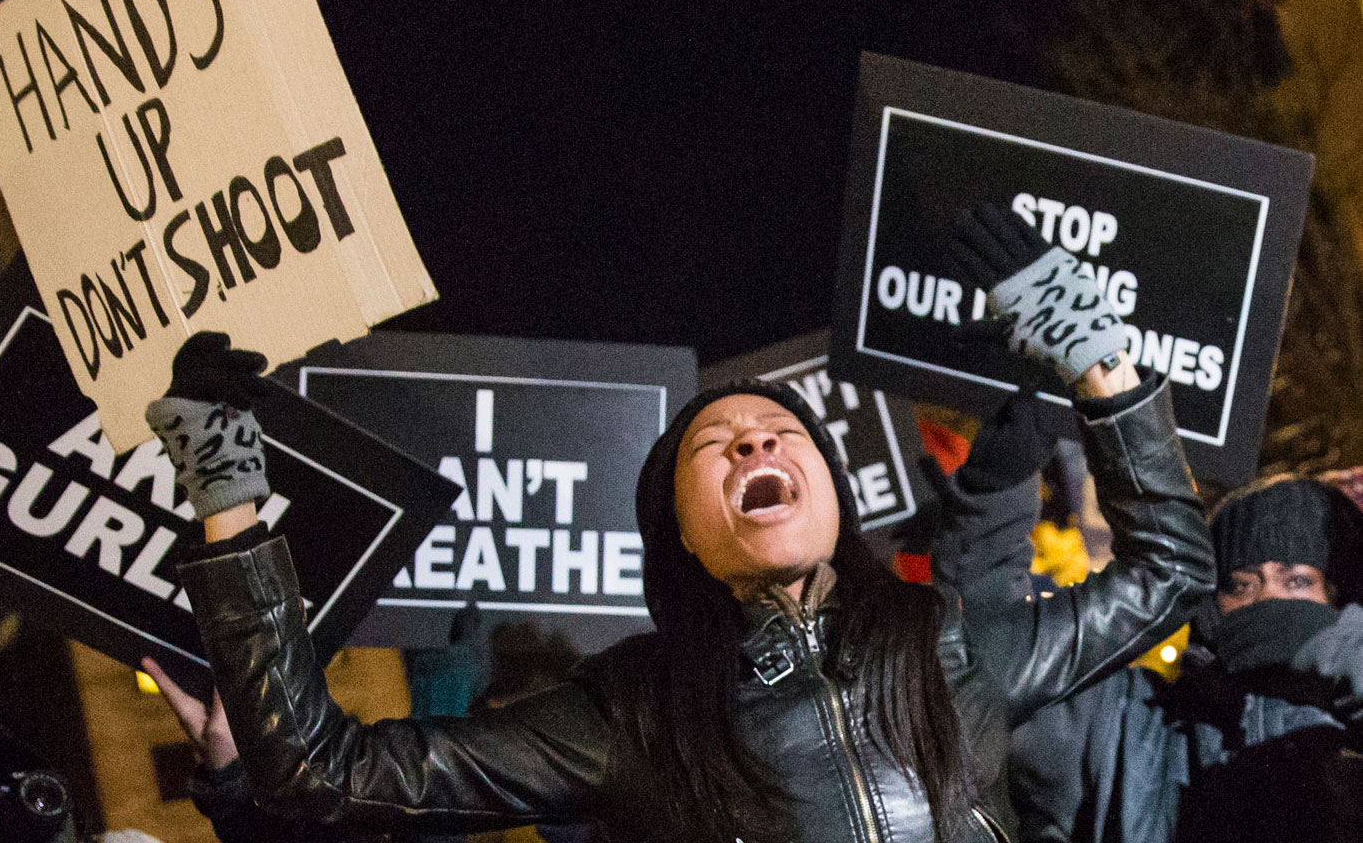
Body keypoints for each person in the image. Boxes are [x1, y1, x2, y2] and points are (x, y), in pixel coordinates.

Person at [148, 203, 1213, 843]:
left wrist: (1100, 362)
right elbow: (318, 769)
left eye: (778, 432)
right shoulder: (632, 715)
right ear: (683, 540)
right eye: (717, 445)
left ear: (835, 500)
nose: (755, 443)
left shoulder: (946, 643)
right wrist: (229, 499)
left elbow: (1171, 565)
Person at [932, 412, 1363, 843]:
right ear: (1211, 602)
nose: (1269, 600)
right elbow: (988, 671)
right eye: (1241, 584)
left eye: (1297, 582)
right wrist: (995, 495)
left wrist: (1331, 650)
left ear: (1341, 597)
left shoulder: (1350, 736)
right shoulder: (1122, 721)